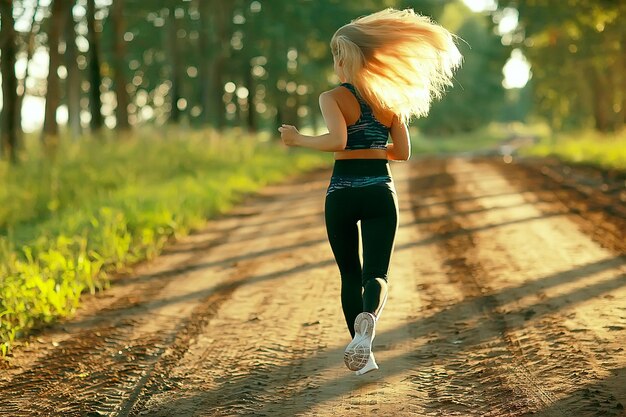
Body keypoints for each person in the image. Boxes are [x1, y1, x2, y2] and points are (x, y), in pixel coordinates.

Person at [279, 8, 461, 375]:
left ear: (347, 56)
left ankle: (363, 357)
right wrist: (375, 147)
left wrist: (298, 139)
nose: (335, 61)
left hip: (342, 191)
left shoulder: (331, 98)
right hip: (380, 189)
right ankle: (368, 328)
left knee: (349, 274)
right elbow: (403, 153)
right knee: (375, 274)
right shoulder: (391, 100)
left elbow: (338, 140)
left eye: (336, 53)